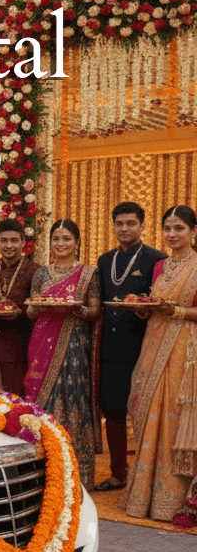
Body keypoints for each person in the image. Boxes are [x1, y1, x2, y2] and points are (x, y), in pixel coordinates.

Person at [124, 206, 197, 525]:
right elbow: (156, 303)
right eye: (167, 228)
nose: (172, 234)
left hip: (185, 349)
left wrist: (177, 312)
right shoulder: (160, 266)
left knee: (176, 416)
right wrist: (145, 309)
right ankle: (143, 496)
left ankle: (177, 498)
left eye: (179, 228)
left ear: (193, 232)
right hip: (154, 343)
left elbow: (178, 309)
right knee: (147, 408)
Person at [24, 219, 101, 491]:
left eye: (67, 238)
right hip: (43, 341)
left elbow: (95, 311)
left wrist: (76, 308)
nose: (60, 244)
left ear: (77, 242)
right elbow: (31, 310)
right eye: (56, 238)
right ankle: (41, 472)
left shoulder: (89, 274)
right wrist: (39, 305)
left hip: (75, 343)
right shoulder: (41, 273)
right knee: (43, 400)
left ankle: (77, 475)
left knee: (74, 398)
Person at [94, 202, 166, 491]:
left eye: (131, 223)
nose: (124, 228)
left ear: (142, 226)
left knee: (147, 413)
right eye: (119, 223)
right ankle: (118, 473)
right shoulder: (104, 261)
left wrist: (145, 309)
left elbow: (161, 304)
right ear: (113, 226)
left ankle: (149, 478)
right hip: (110, 347)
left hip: (144, 346)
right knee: (113, 412)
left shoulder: (156, 260)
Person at [0, 219, 38, 397]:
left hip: (19, 346)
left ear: (23, 242)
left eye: (14, 240)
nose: (9, 245)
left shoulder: (35, 271)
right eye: (4, 240)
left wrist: (19, 312)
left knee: (17, 400)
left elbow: (37, 312)